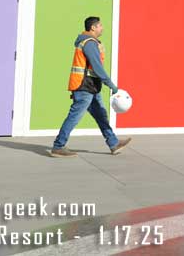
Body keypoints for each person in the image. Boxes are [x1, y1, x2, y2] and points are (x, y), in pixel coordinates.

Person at [49, 16, 131, 157]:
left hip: (91, 87)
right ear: (93, 28)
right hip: (84, 87)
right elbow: (97, 67)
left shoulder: (89, 42)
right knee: (74, 116)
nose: (102, 28)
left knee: (101, 116)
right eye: (100, 25)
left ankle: (113, 143)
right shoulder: (89, 43)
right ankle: (58, 146)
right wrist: (112, 86)